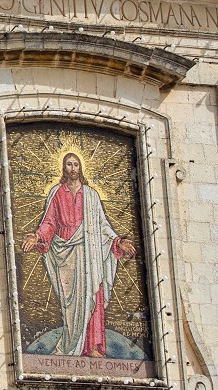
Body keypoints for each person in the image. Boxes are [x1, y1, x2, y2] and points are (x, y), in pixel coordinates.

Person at [21, 152, 135, 357]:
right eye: (69, 164)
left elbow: (102, 225)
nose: (72, 168)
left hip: (89, 252)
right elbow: (49, 222)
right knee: (72, 306)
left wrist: (118, 241)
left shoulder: (91, 195)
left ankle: (94, 346)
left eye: (75, 164)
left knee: (93, 294)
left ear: (80, 168)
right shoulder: (57, 193)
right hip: (66, 254)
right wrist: (37, 237)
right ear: (63, 168)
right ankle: (73, 344)